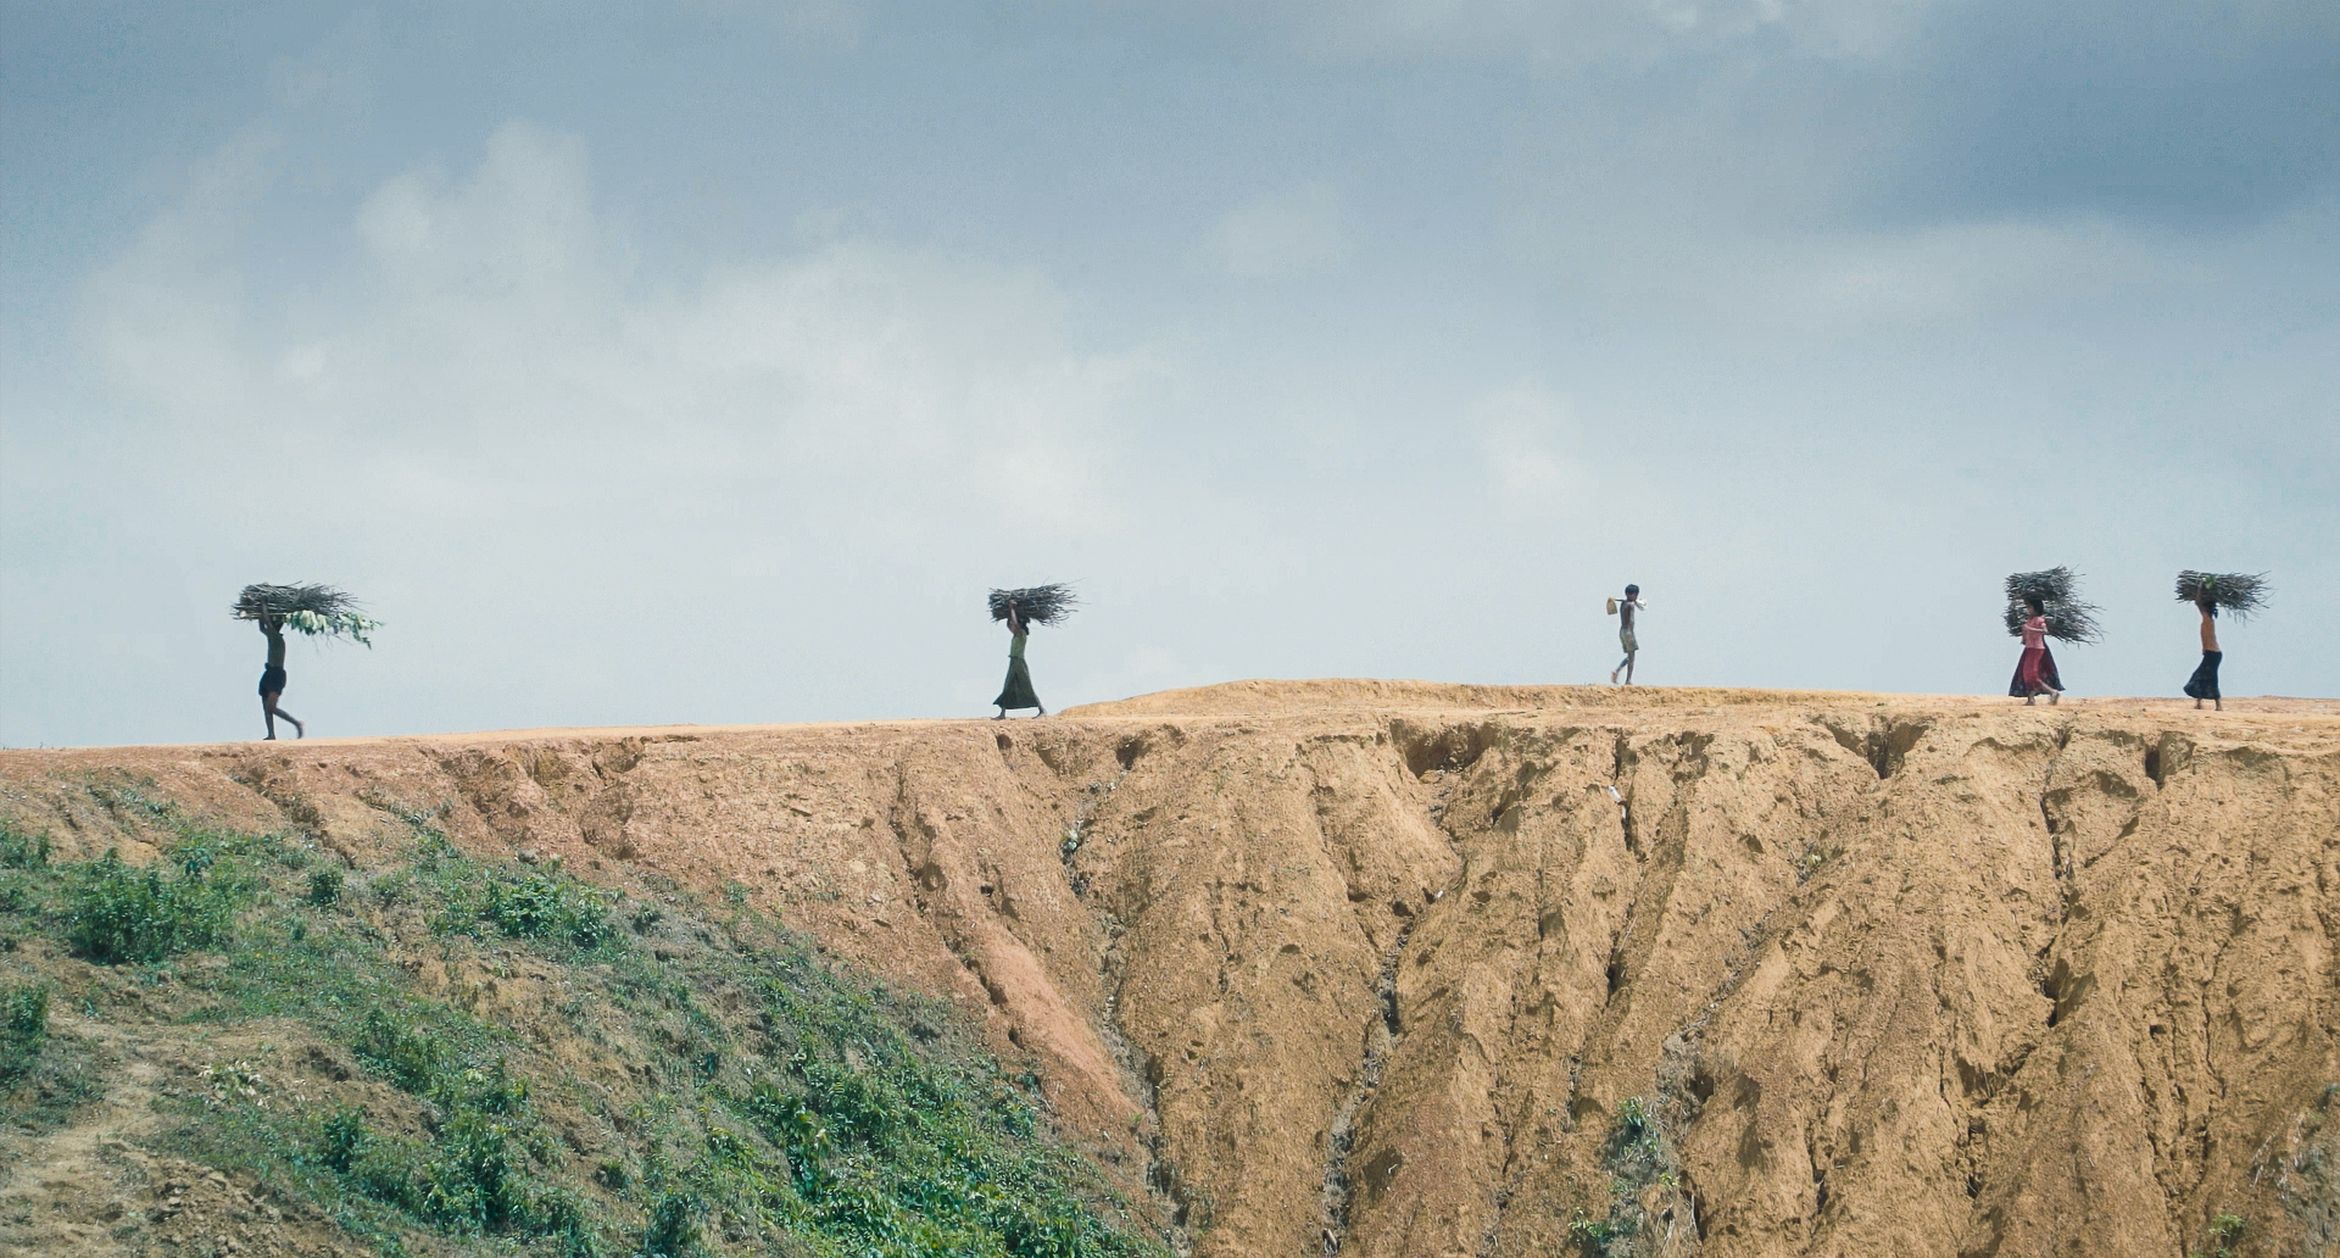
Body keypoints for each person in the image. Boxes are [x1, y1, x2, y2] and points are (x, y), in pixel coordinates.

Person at [257, 614, 305, 739]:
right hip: (269, 673)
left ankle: (296, 723)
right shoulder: (271, 637)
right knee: (266, 706)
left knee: (271, 707)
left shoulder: (277, 638)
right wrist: (259, 614)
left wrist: (262, 605)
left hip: (277, 675)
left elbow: (266, 622)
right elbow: (262, 628)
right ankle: (271, 734)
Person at [2008, 596, 2063, 705]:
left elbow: (2045, 631)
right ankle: (2031, 699)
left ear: (2036, 608)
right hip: (2029, 648)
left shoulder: (2039, 620)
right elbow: (2026, 634)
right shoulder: (2029, 620)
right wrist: (2024, 638)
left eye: (2030, 607)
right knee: (2026, 674)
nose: (2028, 610)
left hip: (2037, 649)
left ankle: (2052, 692)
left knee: (2032, 675)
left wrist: (2030, 629)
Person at [994, 603, 1046, 719]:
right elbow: (1012, 625)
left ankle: (1042, 710)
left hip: (1019, 662)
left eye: (1012, 625)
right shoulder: (1016, 635)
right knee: (1008, 686)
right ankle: (1002, 713)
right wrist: (1010, 613)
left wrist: (1012, 609)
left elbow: (1015, 624)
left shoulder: (1021, 633)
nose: (1010, 627)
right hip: (1014, 662)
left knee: (1027, 686)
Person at [2184, 596, 2223, 711]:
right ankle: (2199, 703)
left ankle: (2217, 704)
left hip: (2213, 654)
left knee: (2207, 677)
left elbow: (2198, 603)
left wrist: (2200, 589)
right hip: (2211, 653)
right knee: (2202, 677)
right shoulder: (2208, 620)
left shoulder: (2208, 620)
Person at [1609, 584, 1647, 685]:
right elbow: (1632, 619)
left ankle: (1617, 671)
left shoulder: (1624, 603)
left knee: (1630, 656)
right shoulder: (1630, 605)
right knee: (1632, 657)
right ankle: (1628, 679)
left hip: (1622, 631)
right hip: (1628, 632)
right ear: (1635, 594)